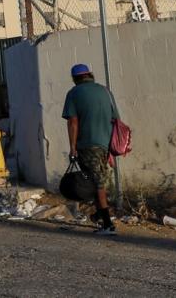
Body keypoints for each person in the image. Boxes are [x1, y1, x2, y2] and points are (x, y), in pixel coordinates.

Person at [62, 63, 118, 235]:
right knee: (96, 181)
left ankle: (108, 225)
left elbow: (73, 122)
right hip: (106, 145)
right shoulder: (105, 91)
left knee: (97, 183)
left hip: (88, 145)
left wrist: (72, 147)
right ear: (90, 75)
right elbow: (115, 119)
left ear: (75, 78)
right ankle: (100, 217)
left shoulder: (73, 93)